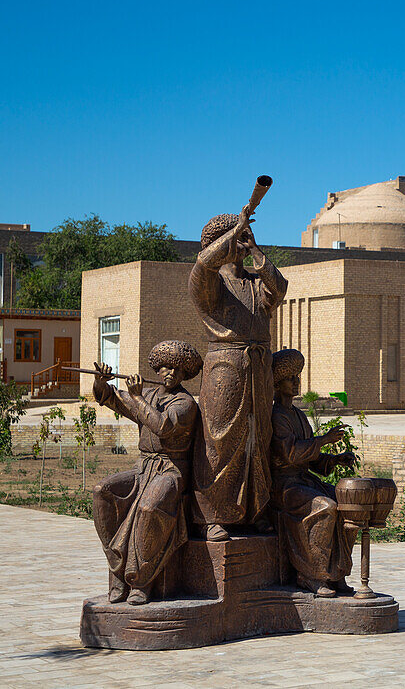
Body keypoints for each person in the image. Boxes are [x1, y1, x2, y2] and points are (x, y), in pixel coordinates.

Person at [190, 201, 288, 541]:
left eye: (249, 235)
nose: (245, 241)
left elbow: (280, 288)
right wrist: (234, 230)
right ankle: (212, 515)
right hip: (225, 368)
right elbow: (203, 262)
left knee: (257, 436)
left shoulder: (255, 284)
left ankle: (255, 511)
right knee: (220, 439)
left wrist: (257, 252)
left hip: (258, 368)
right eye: (240, 237)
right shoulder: (210, 283)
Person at [91, 340, 202, 605]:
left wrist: (138, 397)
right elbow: (111, 399)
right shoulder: (150, 395)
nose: (170, 373)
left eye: (177, 369)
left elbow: (161, 426)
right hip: (144, 468)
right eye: (165, 367)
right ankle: (117, 568)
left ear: (184, 373)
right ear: (157, 369)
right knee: (102, 492)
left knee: (150, 508)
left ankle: (141, 581)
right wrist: (100, 382)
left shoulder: (185, 403)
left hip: (171, 471)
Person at [269, 349, 359, 597]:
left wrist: (336, 459)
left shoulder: (299, 415)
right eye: (291, 378)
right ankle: (311, 574)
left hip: (305, 481)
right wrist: (324, 440)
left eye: (298, 377)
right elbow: (290, 455)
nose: (297, 382)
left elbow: (313, 459)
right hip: (285, 486)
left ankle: (337, 572)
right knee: (325, 507)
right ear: (277, 385)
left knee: (349, 505)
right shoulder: (277, 416)